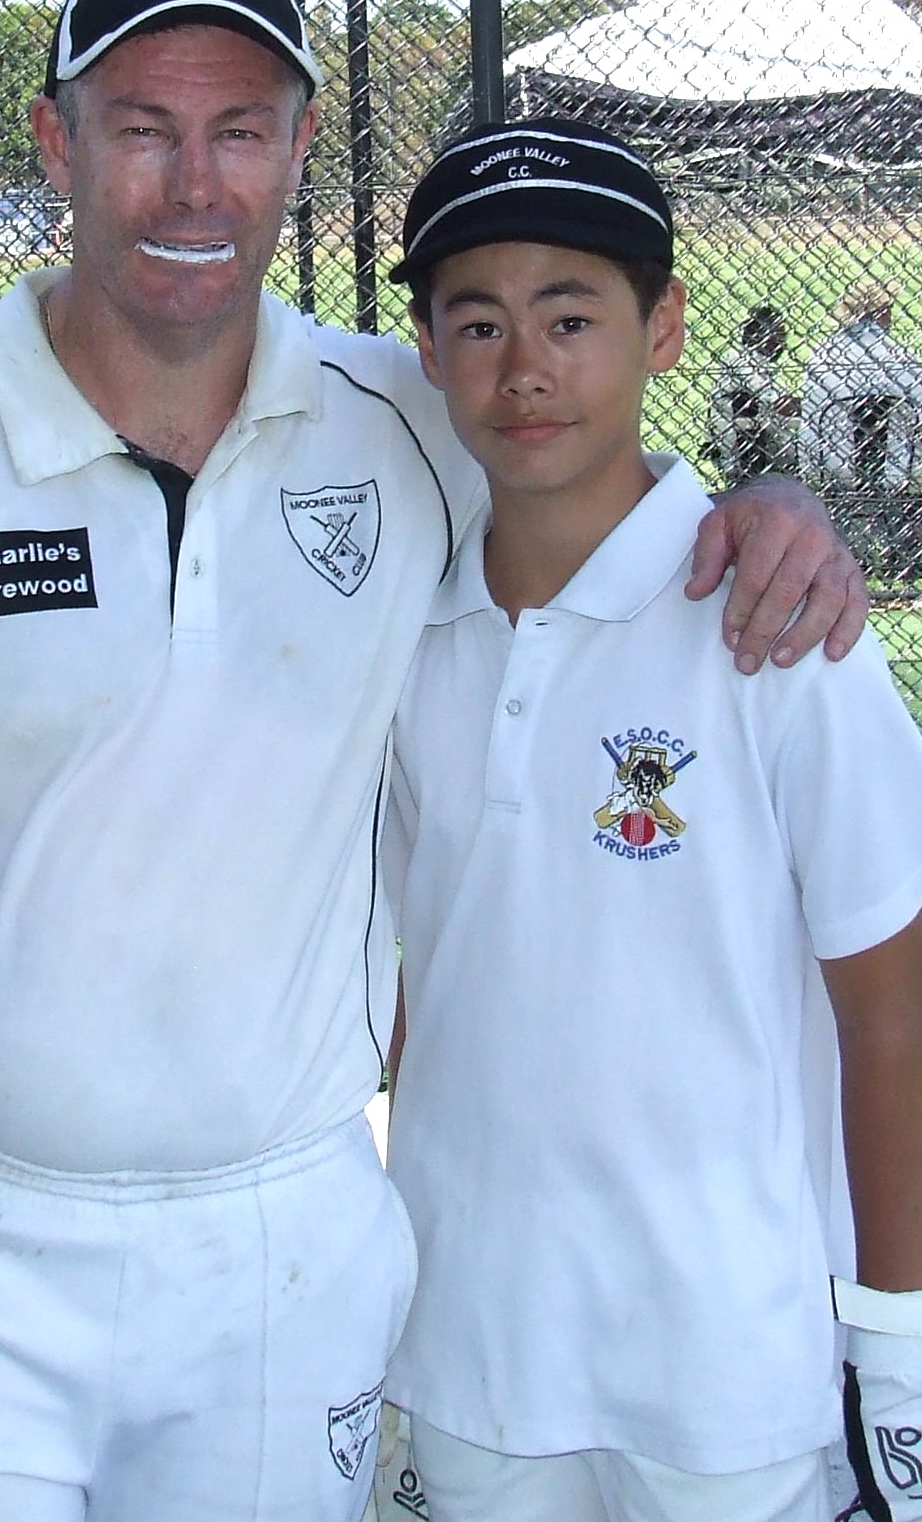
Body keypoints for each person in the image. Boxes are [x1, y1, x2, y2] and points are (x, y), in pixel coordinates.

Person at [0, 0, 865, 1522]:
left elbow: (592, 480)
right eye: (141, 128)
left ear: (301, 149)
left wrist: (771, 513)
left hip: (284, 1232)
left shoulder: (407, 420)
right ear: (54, 142)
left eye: (241, 129)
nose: (195, 184)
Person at [380, 118, 922, 1522]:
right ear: (428, 354)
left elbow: (893, 1012)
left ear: (665, 327)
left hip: (731, 1379)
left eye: (574, 314)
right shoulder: (400, 635)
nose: (527, 367)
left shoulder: (784, 626)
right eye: (480, 322)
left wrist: (899, 1337)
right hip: (473, 1353)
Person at [799, 282, 922, 578]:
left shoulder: (823, 358)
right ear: (882, 314)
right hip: (898, 471)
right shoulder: (905, 358)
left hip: (834, 468)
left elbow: (811, 424)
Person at [708, 303, 797, 482]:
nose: (782, 344)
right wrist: (811, 405)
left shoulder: (758, 362)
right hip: (741, 447)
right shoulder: (741, 360)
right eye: (778, 335)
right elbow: (779, 403)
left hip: (760, 437)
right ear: (757, 336)